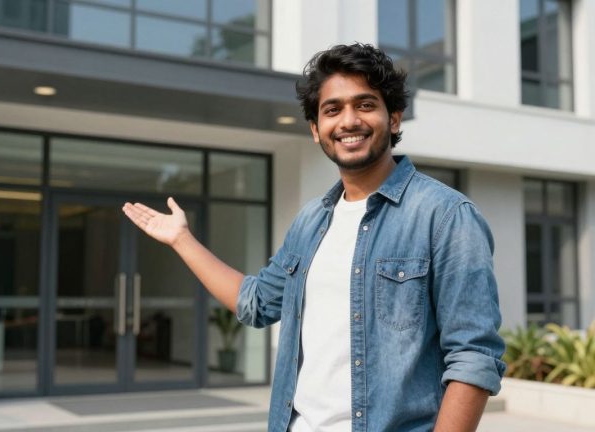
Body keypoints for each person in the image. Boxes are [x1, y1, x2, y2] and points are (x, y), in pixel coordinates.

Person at [123, 43, 505, 432]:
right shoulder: (310, 221)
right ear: (315, 130)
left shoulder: (445, 215)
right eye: (332, 110)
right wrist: (182, 240)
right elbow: (256, 303)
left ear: (393, 119)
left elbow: (474, 356)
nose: (349, 121)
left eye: (365, 105)